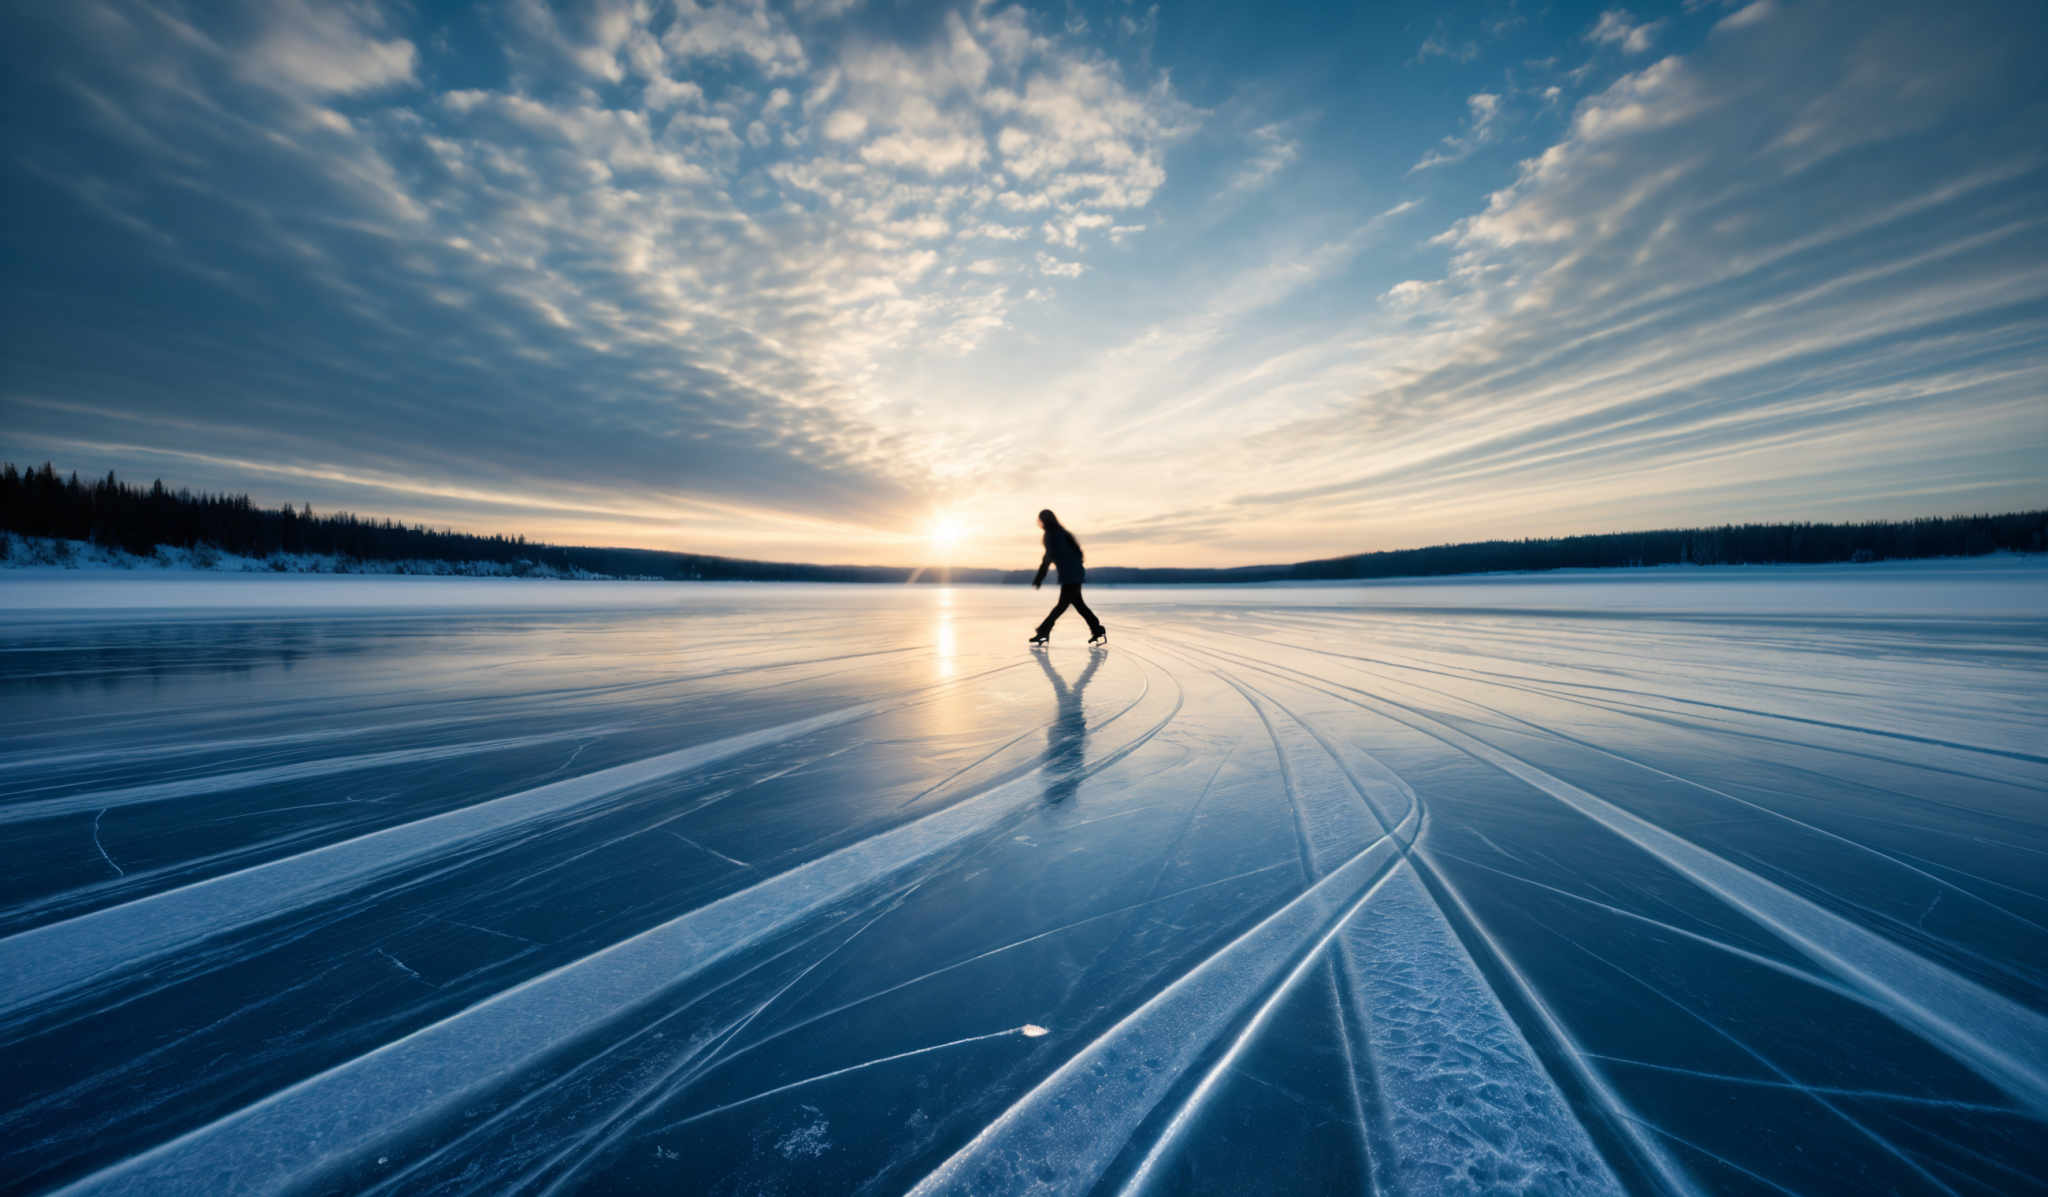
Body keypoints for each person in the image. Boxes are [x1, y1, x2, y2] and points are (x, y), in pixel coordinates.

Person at [1028, 508, 1106, 646]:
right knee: (1078, 604)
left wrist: (1040, 576)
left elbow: (1048, 557)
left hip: (1070, 575)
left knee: (1062, 605)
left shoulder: (1051, 534)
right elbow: (1078, 553)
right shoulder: (1062, 532)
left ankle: (1043, 631)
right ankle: (1097, 629)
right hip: (1075, 572)